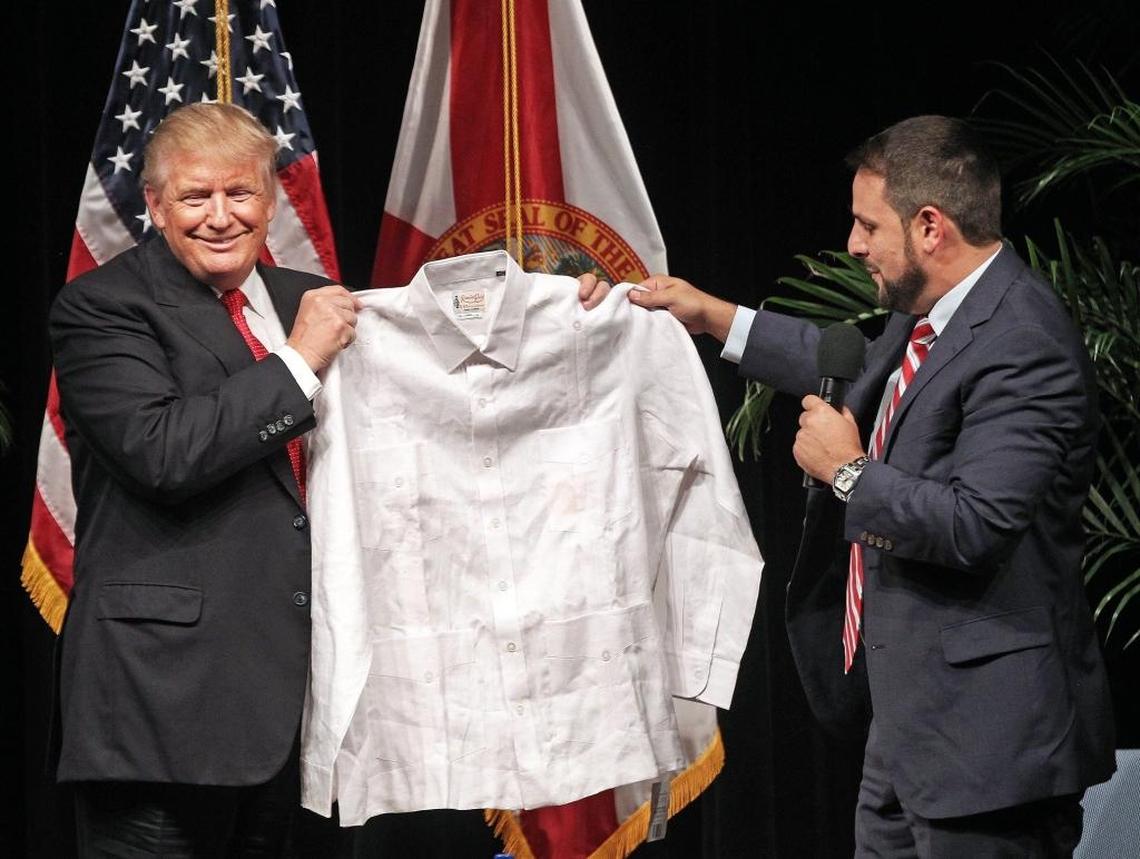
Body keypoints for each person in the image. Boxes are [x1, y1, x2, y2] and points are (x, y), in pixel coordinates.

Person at [48, 101, 612, 856]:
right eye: (195, 197)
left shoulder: (304, 301)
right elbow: (162, 451)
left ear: (272, 200)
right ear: (155, 204)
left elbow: (447, 376)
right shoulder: (101, 307)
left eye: (240, 194)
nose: (220, 216)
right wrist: (297, 361)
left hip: (298, 717)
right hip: (163, 715)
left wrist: (562, 312)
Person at [610, 115, 1116, 855]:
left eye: (867, 224)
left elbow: (975, 524)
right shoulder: (933, 320)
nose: (853, 244)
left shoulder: (1023, 342)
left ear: (931, 227)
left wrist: (848, 470)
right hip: (908, 737)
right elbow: (842, 357)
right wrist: (713, 317)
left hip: (991, 753)